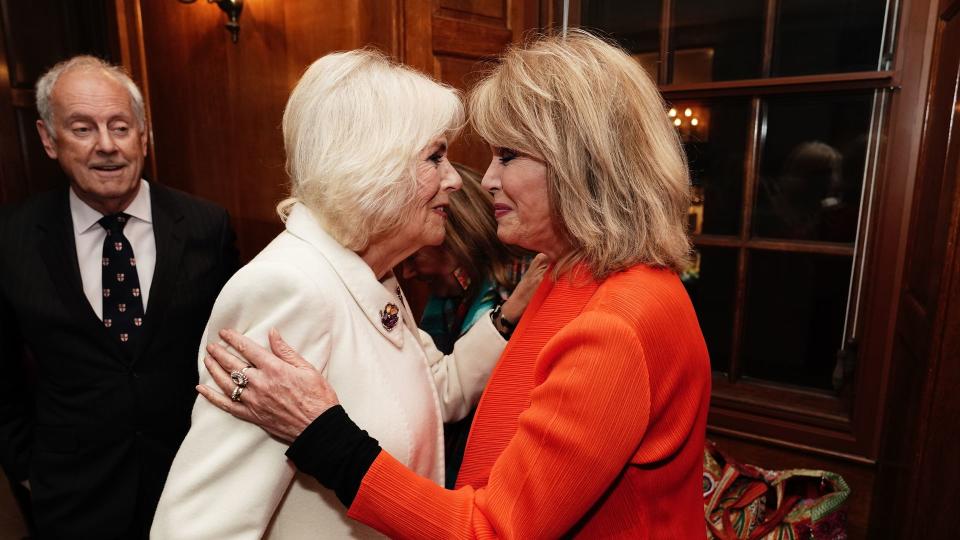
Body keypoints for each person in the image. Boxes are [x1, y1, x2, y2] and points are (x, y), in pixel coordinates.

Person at [200, 30, 711, 539]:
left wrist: (324, 434)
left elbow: (492, 529)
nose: (483, 180)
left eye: (508, 155)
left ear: (581, 166)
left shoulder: (616, 320)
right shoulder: (565, 274)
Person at [151, 50, 542, 539]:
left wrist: (512, 312)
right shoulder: (291, 289)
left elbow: (432, 389)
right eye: (435, 157)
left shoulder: (368, 272)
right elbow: (199, 524)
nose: (453, 180)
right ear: (373, 165)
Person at [0, 55, 238, 539]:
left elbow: (234, 351)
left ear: (144, 135)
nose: (106, 146)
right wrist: (27, 466)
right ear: (48, 139)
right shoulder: (11, 238)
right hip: (73, 498)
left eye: (120, 127)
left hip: (193, 482)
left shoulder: (205, 227)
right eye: (83, 129)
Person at [402, 163, 547, 487]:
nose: (408, 273)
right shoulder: (447, 301)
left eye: (413, 257)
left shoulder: (525, 285)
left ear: (454, 238)